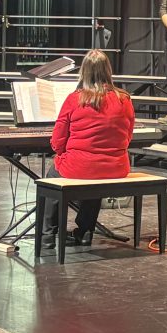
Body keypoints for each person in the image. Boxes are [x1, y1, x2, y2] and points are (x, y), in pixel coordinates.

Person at [41, 50, 134, 248]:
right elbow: (127, 136)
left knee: (52, 176)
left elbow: (57, 141)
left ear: (84, 72)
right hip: (116, 167)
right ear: (108, 70)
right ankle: (84, 232)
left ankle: (47, 234)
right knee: (97, 172)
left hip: (80, 165)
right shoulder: (124, 99)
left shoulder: (75, 99)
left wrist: (66, 153)